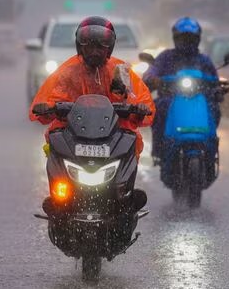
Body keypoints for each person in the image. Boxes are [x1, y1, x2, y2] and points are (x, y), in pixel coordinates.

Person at [29, 15, 155, 213]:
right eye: (90, 47)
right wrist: (49, 107)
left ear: (109, 49)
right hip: (74, 131)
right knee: (54, 141)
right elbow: (50, 100)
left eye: (100, 47)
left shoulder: (121, 72)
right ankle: (59, 197)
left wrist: (136, 107)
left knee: (131, 140)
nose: (95, 52)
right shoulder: (68, 72)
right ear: (80, 47)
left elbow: (141, 101)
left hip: (112, 133)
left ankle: (124, 194)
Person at [143, 17, 223, 162]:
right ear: (175, 39)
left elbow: (215, 79)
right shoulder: (165, 57)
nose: (187, 42)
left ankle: (211, 147)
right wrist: (152, 79)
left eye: (191, 38)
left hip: (200, 101)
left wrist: (219, 87)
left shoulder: (204, 60)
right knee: (158, 109)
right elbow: (151, 73)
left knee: (214, 109)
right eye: (183, 38)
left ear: (198, 39)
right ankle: (160, 150)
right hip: (170, 99)